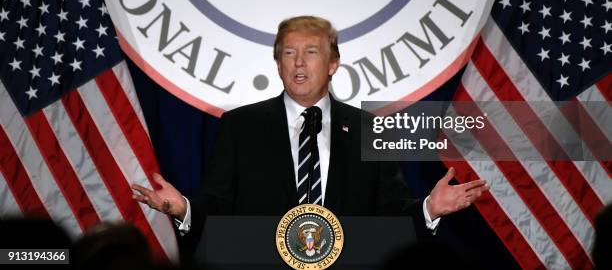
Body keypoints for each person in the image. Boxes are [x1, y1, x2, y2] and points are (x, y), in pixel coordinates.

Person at [132, 16, 487, 244]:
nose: (299, 62)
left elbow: (390, 214)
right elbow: (218, 205)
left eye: (311, 52)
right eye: (289, 52)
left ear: (333, 63)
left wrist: (429, 208)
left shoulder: (368, 129)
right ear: (278, 63)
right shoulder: (241, 127)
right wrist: (184, 209)